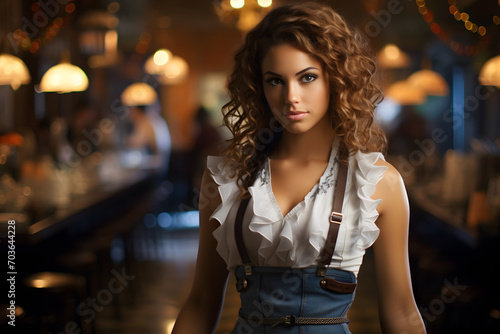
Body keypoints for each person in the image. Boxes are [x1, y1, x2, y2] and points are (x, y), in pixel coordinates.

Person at [172, 2, 426, 334]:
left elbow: (403, 313)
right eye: (275, 80)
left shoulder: (378, 182)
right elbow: (201, 303)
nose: (291, 96)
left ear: (335, 79)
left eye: (307, 77)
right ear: (259, 87)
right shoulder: (224, 180)